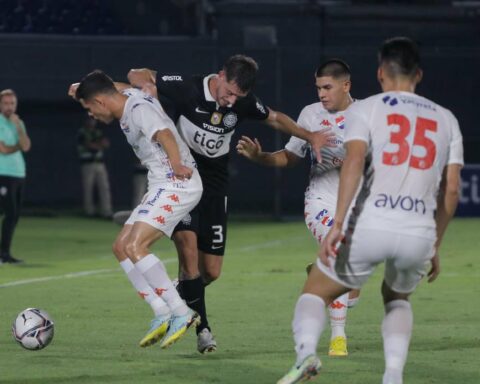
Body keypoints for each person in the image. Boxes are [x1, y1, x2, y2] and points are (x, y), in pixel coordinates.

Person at [277, 37, 463, 384]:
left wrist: (338, 223)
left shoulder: (367, 109)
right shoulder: (446, 118)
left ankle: (305, 355)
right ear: (419, 74)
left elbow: (353, 163)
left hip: (371, 222)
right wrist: (434, 244)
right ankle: (393, 374)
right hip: (417, 229)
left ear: (380, 73)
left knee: (315, 290)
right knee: (396, 299)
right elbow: (451, 189)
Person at [127, 54, 333, 353]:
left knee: (210, 271)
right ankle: (203, 330)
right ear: (220, 75)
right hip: (183, 181)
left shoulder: (241, 102)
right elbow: (137, 71)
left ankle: (177, 292)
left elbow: (274, 118)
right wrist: (146, 84)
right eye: (229, 93)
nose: (231, 102)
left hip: (215, 186)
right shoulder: (188, 87)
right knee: (188, 254)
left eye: (238, 97)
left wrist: (310, 134)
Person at [237, 59, 360, 357]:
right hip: (321, 200)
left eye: (327, 87)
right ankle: (338, 337)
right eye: (318, 87)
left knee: (351, 283)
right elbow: (289, 158)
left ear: (346, 85)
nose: (321, 94)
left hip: (358, 206)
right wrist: (260, 157)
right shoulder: (310, 114)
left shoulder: (369, 114)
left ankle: (321, 277)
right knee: (338, 253)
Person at [72, 70, 203, 349]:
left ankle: (181, 312)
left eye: (89, 108)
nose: (91, 115)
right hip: (160, 184)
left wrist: (178, 164)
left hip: (177, 182)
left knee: (135, 246)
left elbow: (165, 133)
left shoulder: (138, 109)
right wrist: (81, 86)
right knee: (121, 247)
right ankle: (160, 310)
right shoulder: (125, 96)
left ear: (100, 102)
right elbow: (116, 85)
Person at [0, 89, 31, 264]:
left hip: (18, 173)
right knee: (10, 213)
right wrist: (18, 145)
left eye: (12, 103)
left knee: (14, 215)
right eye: (5, 103)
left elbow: (26, 146)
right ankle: (3, 254)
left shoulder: (18, 122)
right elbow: (3, 149)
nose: (9, 107)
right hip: (2, 173)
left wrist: (19, 127)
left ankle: (5, 253)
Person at [77, 116, 113, 218]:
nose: (92, 122)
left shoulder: (98, 132)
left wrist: (97, 145)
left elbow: (106, 144)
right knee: (88, 188)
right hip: (87, 163)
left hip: (100, 163)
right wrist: (98, 145)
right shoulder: (82, 132)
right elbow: (88, 145)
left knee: (104, 187)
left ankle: (106, 211)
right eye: (89, 120)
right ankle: (89, 211)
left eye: (93, 120)